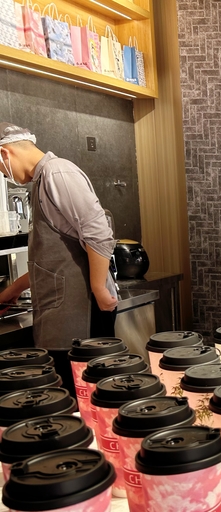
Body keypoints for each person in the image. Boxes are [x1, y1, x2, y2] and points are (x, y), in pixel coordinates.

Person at [0, 123, 118, 392]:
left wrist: (99, 287)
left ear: (5, 154)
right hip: (62, 316)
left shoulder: (58, 172)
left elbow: (99, 233)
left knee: (87, 398)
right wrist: (13, 290)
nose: (2, 174)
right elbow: (53, 258)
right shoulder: (39, 181)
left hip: (82, 314)